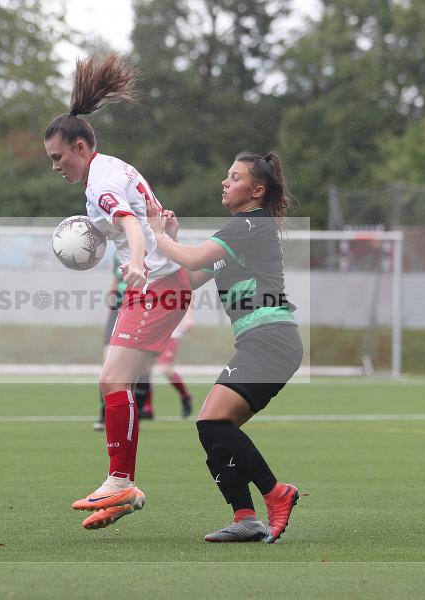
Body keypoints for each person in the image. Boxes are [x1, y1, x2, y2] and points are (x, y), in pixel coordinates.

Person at [44, 54, 191, 530]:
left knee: (113, 381)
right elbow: (142, 218)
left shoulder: (100, 182)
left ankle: (121, 482)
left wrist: (135, 260)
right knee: (114, 381)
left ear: (81, 146)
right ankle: (121, 489)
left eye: (58, 157)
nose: (55, 166)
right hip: (161, 282)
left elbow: (128, 223)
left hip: (158, 285)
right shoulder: (111, 168)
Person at [147, 151, 302, 543]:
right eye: (227, 175)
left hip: (272, 341)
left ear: (257, 190)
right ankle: (246, 518)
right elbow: (188, 278)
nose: (225, 182)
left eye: (234, 177)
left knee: (213, 422)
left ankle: (276, 493)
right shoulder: (242, 229)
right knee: (213, 429)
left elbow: (195, 258)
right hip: (265, 343)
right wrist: (167, 242)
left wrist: (159, 236)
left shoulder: (251, 223)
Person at [93, 256, 151, 431]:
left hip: (140, 307)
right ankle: (104, 414)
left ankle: (137, 411)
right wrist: (111, 304)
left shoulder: (149, 246)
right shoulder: (118, 252)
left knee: (142, 366)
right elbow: (115, 279)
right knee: (108, 362)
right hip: (118, 310)